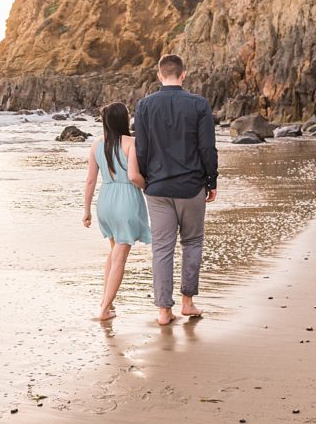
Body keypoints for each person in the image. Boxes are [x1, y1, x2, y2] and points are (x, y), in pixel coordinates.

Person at [134, 54, 218, 326]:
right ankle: (187, 303)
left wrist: (148, 179)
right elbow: (207, 147)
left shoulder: (144, 105)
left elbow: (142, 148)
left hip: (158, 187)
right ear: (183, 75)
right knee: (192, 242)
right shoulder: (198, 104)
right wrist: (211, 179)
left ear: (160, 75)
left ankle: (163, 311)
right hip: (192, 186)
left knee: (162, 248)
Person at [82, 102, 152, 321]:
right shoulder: (132, 142)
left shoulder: (96, 145)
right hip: (126, 200)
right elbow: (133, 176)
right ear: (124, 119)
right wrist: (147, 185)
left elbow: (90, 180)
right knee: (120, 258)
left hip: (105, 201)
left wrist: (86, 210)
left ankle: (107, 304)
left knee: (113, 254)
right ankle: (103, 309)